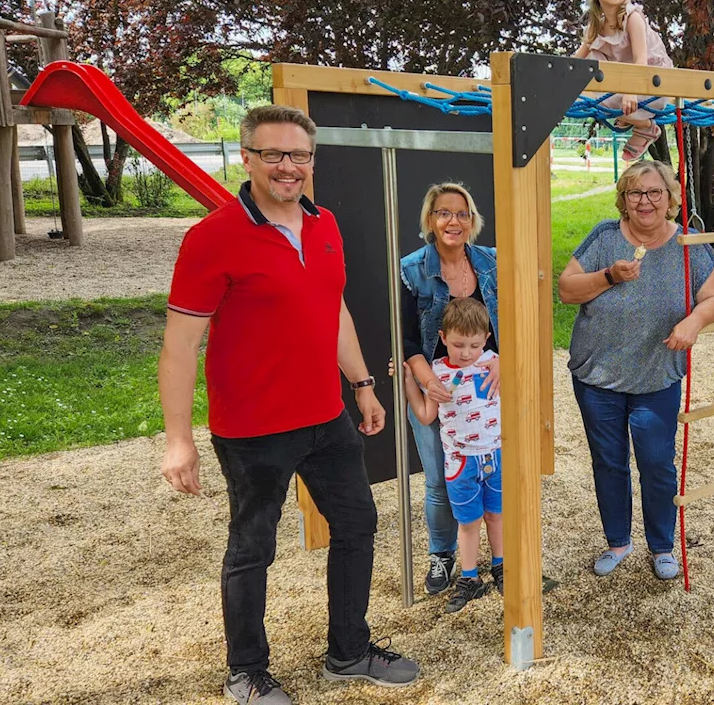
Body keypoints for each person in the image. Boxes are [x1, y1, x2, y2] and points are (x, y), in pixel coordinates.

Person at [158, 105, 419, 704]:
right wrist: (178, 438)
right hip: (252, 429)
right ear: (246, 158)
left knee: (357, 525)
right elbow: (178, 350)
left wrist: (361, 383)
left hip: (326, 416)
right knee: (254, 547)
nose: (288, 167)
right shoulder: (212, 238)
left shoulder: (324, 223)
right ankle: (245, 673)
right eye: (273, 154)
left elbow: (333, 310)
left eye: (299, 155)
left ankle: (349, 651)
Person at [559, 160, 714, 581]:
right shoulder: (605, 237)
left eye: (654, 192)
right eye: (635, 193)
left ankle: (662, 545)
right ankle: (618, 540)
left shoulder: (687, 245)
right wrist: (609, 275)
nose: (645, 201)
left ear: (669, 198)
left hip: (656, 375)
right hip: (598, 376)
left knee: (656, 461)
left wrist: (693, 321)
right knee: (609, 460)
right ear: (624, 199)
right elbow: (566, 290)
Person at [399, 182, 500, 598]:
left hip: (485, 387)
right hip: (436, 382)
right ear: (430, 220)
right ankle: (442, 554)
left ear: (472, 220)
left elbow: (508, 320)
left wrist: (503, 361)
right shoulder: (413, 269)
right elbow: (407, 341)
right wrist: (426, 381)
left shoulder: (490, 262)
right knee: (441, 478)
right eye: (443, 212)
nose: (452, 221)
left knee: (493, 474)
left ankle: (498, 560)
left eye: (461, 213)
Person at [399, 297, 504, 614]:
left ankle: (501, 566)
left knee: (497, 516)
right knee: (468, 522)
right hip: (460, 464)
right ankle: (470, 577)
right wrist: (409, 382)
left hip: (495, 457)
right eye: (458, 344)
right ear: (443, 338)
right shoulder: (439, 373)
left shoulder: (493, 362)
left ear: (485, 340)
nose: (467, 353)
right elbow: (426, 415)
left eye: (474, 345)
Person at [573, 0, 674, 161]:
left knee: (599, 100)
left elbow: (641, 61)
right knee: (590, 61)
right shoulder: (595, 27)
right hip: (626, 86)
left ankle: (645, 125)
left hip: (651, 83)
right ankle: (637, 122)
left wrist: (630, 91)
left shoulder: (632, 17)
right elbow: (575, 62)